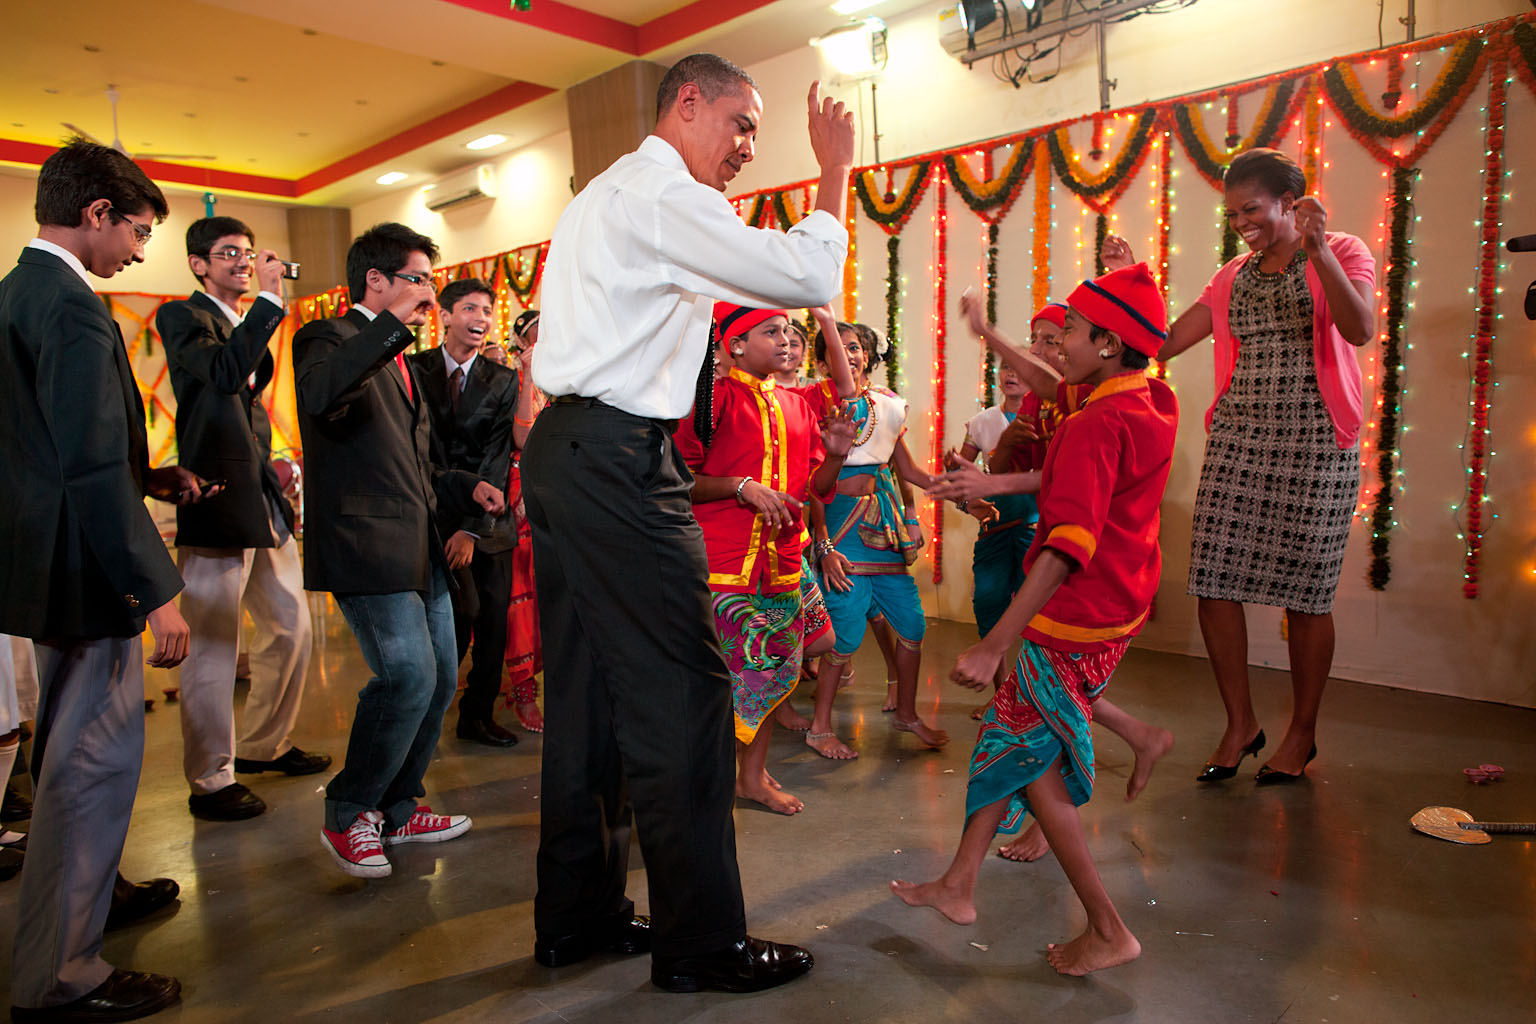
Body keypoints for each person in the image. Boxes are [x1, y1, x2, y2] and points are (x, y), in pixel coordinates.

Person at [524, 53, 853, 993]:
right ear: (689, 102)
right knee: (686, 696)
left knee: (588, 699)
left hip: (568, 452)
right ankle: (702, 945)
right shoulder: (663, 196)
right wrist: (833, 168)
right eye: (743, 124)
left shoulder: (601, 198)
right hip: (618, 461)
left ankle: (577, 918)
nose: (750, 146)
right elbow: (800, 272)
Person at [892, 263, 1178, 978]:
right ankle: (959, 884)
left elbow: (1065, 546)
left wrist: (997, 640)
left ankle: (1108, 927)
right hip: (1121, 604)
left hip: (1073, 615)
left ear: (1108, 342)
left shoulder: (1095, 424)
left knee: (1036, 767)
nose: (1056, 349)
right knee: (1004, 736)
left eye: (1070, 334)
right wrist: (989, 336)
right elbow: (1058, 391)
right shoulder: (1148, 395)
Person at [0, 139, 214, 1022]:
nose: (135, 249)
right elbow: (87, 466)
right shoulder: (74, 308)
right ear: (95, 214)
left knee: (68, 756)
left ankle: (95, 895)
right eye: (135, 229)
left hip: (42, 561)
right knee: (92, 765)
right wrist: (156, 588)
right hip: (87, 571)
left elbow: (48, 446)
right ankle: (63, 971)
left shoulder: (17, 292)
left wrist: (149, 476)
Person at [1105, 148, 1375, 783]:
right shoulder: (1232, 277)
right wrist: (1125, 281)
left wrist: (1320, 251)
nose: (1241, 223)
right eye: (1233, 213)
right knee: (1214, 583)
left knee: (1307, 594)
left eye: (1250, 209)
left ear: (1289, 201)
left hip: (1315, 444)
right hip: (1239, 441)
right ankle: (1240, 724)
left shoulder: (1344, 248)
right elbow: (1162, 344)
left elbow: (1358, 327)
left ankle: (1300, 733)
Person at [294, 223, 505, 879]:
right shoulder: (327, 339)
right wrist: (391, 331)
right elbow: (321, 397)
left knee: (442, 675)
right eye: (418, 279)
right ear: (375, 282)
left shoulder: (400, 363)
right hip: (365, 545)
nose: (428, 294)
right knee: (408, 675)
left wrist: (463, 484)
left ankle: (399, 806)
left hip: (420, 547)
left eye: (429, 281)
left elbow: (412, 465)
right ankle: (349, 810)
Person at [156, 216, 326, 823]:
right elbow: (226, 375)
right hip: (217, 496)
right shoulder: (182, 318)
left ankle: (261, 745)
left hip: (262, 495)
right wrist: (273, 302)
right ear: (199, 264)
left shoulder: (242, 321)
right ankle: (210, 778)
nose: (244, 262)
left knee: (291, 627)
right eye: (228, 253)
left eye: (249, 254)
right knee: (213, 645)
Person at [675, 302, 856, 815]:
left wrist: (838, 453)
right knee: (722, 680)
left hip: (781, 562)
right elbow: (675, 481)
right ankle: (705, 777)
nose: (784, 339)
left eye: (788, 330)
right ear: (734, 345)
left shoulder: (800, 406)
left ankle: (750, 778)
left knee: (773, 671)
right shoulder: (708, 401)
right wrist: (741, 487)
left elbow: (816, 489)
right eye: (770, 331)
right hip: (720, 564)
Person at [806, 322, 947, 758]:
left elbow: (912, 474)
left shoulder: (888, 406)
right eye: (836, 347)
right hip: (838, 526)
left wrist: (957, 488)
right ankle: (819, 727)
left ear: (866, 355)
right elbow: (812, 487)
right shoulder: (815, 405)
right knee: (844, 633)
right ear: (822, 360)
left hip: (879, 528)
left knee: (912, 623)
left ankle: (906, 713)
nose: (847, 354)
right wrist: (824, 548)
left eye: (854, 347)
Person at [408, 278, 521, 747]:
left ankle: (476, 716)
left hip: (487, 520)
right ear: (446, 315)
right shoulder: (414, 370)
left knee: (492, 622)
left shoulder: (504, 379)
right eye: (470, 309)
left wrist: (473, 530)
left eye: (486, 312)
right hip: (430, 514)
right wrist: (446, 519)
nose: (480, 319)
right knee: (452, 618)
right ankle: (424, 712)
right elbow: (417, 449)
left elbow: (497, 458)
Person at [504, 308, 545, 733]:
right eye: (533, 334)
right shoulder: (516, 380)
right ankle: (522, 689)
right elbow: (524, 437)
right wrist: (529, 376)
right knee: (522, 598)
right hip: (521, 496)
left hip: (560, 496)